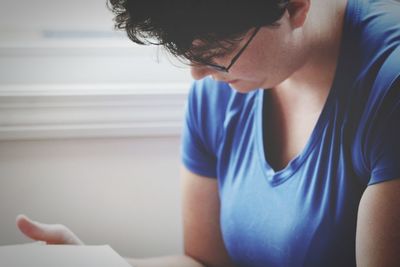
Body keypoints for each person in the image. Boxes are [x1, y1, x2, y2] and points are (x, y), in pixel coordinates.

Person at [16, 0, 400, 266]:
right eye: (188, 54)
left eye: (219, 50)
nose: (198, 75)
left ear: (296, 6)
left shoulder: (389, 90)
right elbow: (204, 262)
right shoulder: (220, 88)